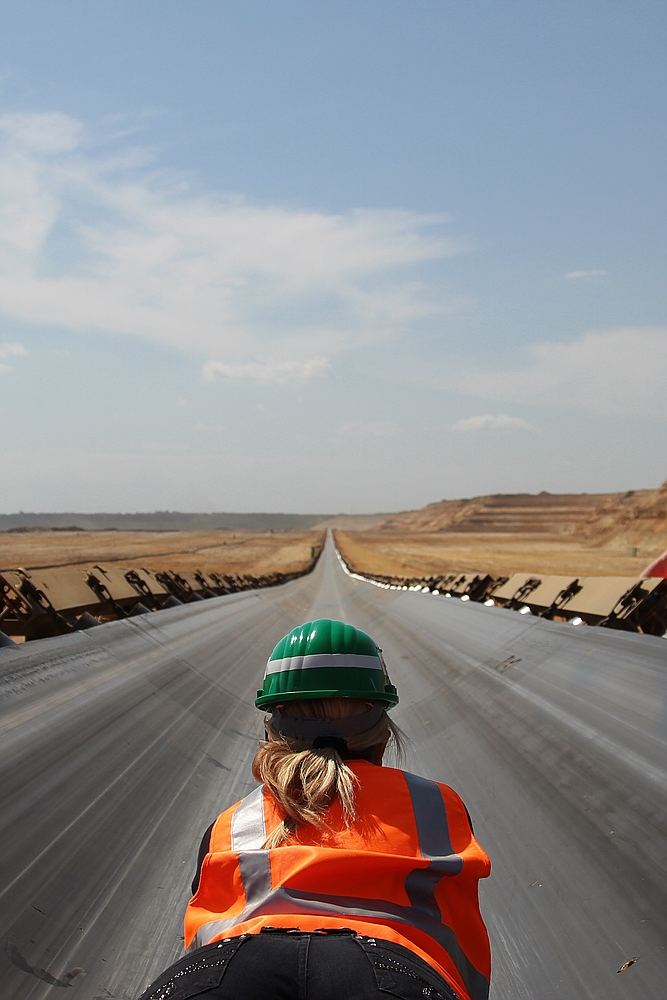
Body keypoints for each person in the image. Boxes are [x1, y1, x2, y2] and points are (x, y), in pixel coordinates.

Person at [137, 619, 491, 1000]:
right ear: (383, 732)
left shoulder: (228, 826)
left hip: (226, 970)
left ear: (272, 729)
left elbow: (196, 938)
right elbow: (464, 940)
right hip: (395, 973)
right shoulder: (439, 806)